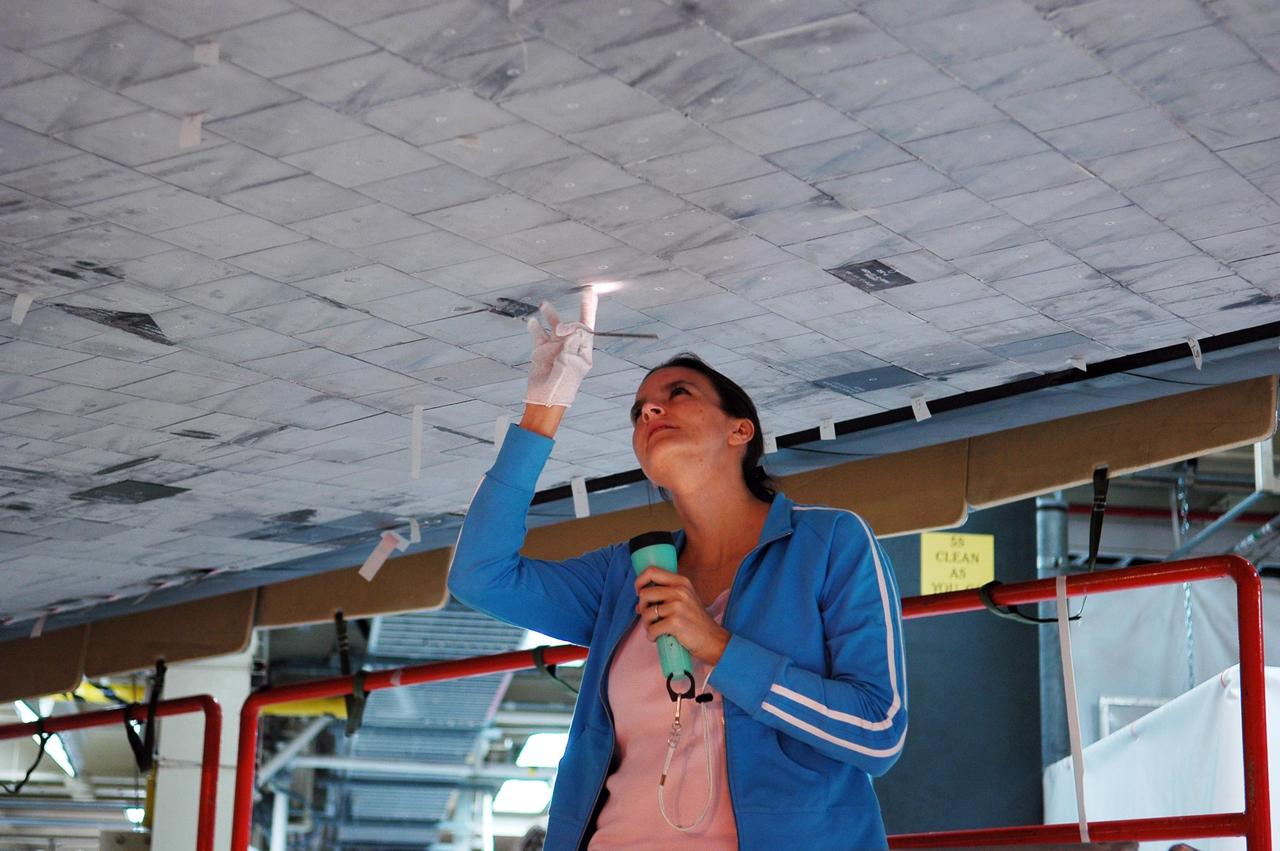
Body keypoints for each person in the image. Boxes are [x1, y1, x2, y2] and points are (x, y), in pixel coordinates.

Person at [448, 289, 908, 850]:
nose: (650, 410)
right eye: (640, 410)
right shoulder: (627, 574)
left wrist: (717, 645)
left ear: (741, 430)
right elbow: (480, 575)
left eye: (678, 393)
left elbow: (878, 732)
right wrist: (545, 405)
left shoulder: (830, 543)